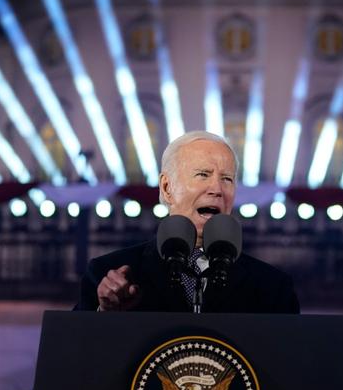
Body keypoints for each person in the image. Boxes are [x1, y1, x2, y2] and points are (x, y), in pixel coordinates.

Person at [78, 131, 299, 313]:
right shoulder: (107, 277)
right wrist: (105, 314)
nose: (217, 189)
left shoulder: (274, 288)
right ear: (167, 188)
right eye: (203, 174)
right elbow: (73, 356)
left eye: (227, 179)